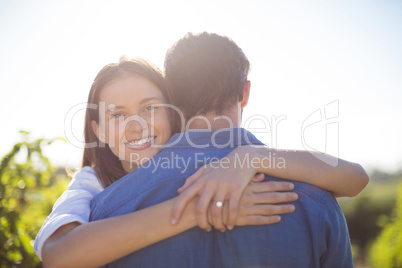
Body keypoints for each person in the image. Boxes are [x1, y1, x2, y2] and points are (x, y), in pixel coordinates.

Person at [87, 32, 368, 267]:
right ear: (245, 93)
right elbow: (357, 178)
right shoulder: (315, 201)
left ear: (170, 96)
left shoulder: (107, 213)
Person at [34, 58, 301, 267]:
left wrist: (251, 155)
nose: (136, 126)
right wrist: (200, 207)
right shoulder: (91, 182)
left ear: (174, 113)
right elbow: (58, 255)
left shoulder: (199, 160)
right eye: (117, 116)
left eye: (150, 108)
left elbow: (343, 177)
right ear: (99, 130)